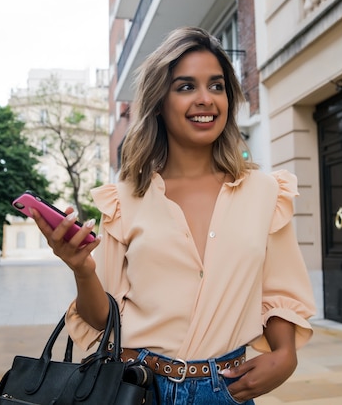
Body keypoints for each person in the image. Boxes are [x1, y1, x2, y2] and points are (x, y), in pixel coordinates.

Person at [30, 26, 316, 404]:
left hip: (226, 388)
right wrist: (81, 268)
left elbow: (279, 291)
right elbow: (103, 318)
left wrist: (285, 356)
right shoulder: (126, 197)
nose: (205, 99)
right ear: (159, 103)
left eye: (216, 86)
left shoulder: (265, 191)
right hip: (138, 387)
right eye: (186, 87)